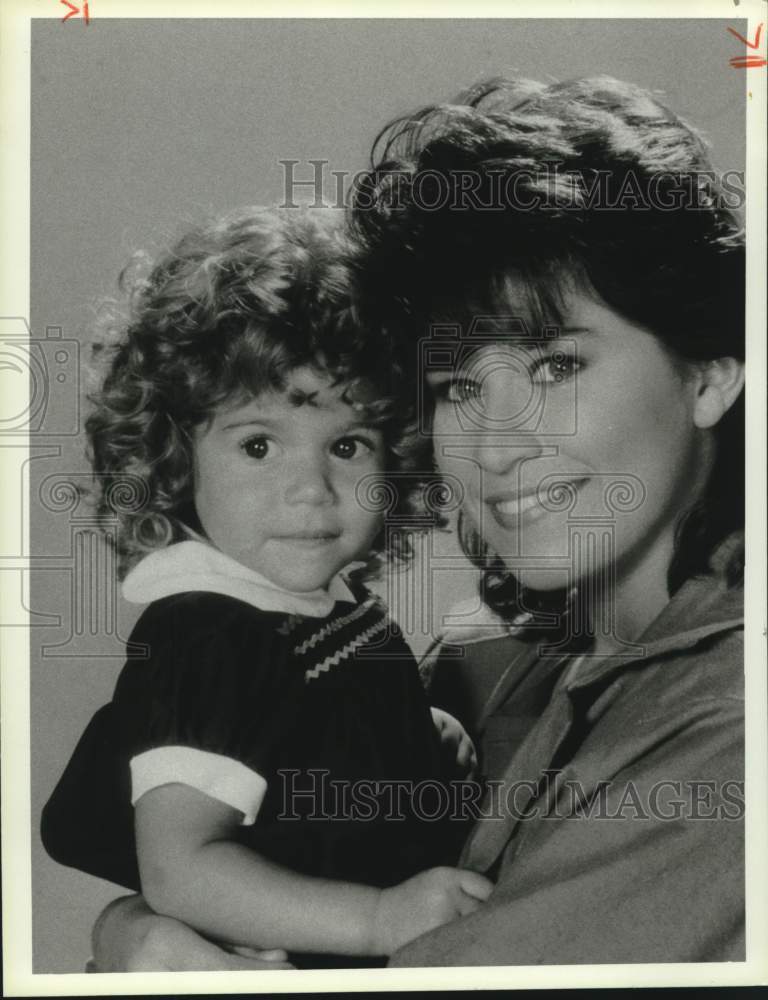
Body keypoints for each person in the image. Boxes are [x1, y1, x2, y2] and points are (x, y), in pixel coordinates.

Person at [85, 75, 746, 968]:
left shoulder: (734, 727)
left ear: (709, 372)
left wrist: (135, 943)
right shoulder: (483, 665)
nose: (497, 447)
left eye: (553, 367)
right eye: (460, 386)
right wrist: (135, 931)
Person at [41, 206, 490, 970]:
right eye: (257, 445)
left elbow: (322, 736)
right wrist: (379, 920)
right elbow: (180, 869)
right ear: (177, 459)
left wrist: (416, 739)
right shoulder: (209, 637)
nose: (310, 490)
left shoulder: (319, 609)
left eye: (347, 445)